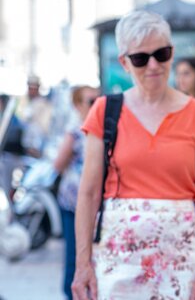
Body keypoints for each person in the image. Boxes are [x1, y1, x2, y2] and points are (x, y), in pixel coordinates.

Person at [71, 10, 195, 300]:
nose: (153, 65)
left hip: (182, 259)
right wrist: (82, 264)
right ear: (124, 62)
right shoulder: (104, 110)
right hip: (117, 260)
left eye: (161, 54)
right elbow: (87, 194)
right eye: (141, 58)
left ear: (172, 53)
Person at [53, 85, 100, 300]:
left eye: (97, 99)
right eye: (91, 101)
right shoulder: (75, 131)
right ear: (77, 105)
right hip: (73, 202)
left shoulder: (101, 128)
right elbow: (58, 163)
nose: (95, 104)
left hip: (97, 203)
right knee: (75, 251)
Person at [15, 75, 53, 158]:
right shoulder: (22, 101)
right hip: (19, 147)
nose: (31, 91)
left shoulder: (45, 104)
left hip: (36, 147)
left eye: (34, 88)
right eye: (30, 88)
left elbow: (44, 127)